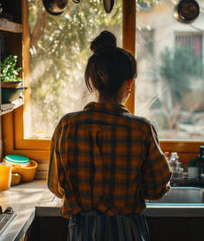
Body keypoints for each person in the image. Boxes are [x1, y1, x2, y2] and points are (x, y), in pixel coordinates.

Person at [47, 30, 172, 241]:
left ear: (94, 82)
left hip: (82, 232)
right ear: (129, 83)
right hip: (128, 232)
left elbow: (55, 187)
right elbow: (157, 188)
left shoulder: (67, 125)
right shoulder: (141, 128)